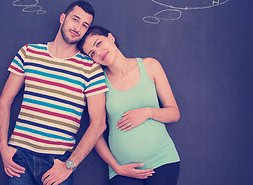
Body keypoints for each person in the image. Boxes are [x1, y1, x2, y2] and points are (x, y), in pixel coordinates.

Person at [0, 1, 109, 185]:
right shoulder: (29, 53)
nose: (78, 28)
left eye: (84, 25)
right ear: (63, 18)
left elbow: (99, 123)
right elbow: (5, 101)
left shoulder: (90, 68)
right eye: (75, 19)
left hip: (57, 162)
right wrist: (3, 146)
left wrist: (70, 165)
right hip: (20, 158)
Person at [77, 26, 180, 185]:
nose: (98, 53)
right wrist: (116, 167)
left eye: (98, 44)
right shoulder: (98, 83)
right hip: (123, 170)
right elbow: (95, 134)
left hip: (163, 161)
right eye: (92, 53)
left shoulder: (150, 66)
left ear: (111, 38)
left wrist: (147, 112)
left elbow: (174, 114)